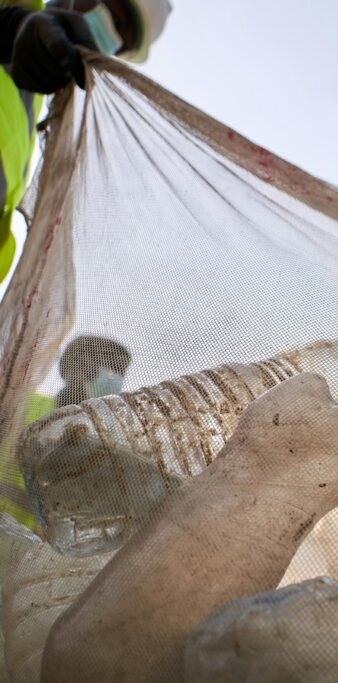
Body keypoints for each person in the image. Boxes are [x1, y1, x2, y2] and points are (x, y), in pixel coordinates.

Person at [0, 0, 171, 284]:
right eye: (115, 18)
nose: (110, 37)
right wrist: (10, 27)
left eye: (120, 44)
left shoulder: (30, 123)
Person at [0, 335, 132, 529]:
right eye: (113, 369)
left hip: (31, 543)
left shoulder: (104, 434)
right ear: (83, 367)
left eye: (122, 373)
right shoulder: (21, 406)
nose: (117, 380)